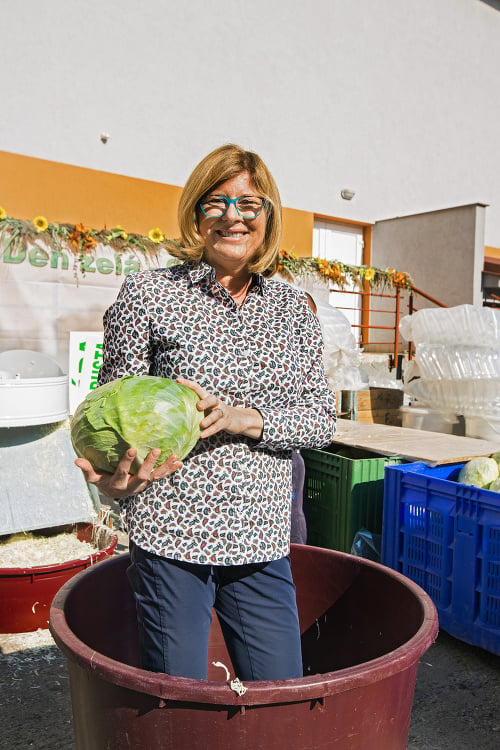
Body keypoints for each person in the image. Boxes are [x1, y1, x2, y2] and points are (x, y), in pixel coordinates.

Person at [75, 143, 336, 682]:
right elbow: (107, 409)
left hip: (261, 536)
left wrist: (247, 418)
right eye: (215, 203)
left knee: (278, 689)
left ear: (269, 216)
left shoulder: (293, 311)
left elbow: (319, 420)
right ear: (196, 213)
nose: (232, 217)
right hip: (169, 531)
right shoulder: (148, 295)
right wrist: (114, 485)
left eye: (249, 204)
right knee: (179, 695)